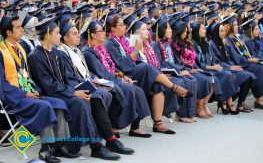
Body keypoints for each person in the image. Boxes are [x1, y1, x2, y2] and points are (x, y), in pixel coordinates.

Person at [27, 17, 123, 161]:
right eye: (57, 33)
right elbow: (49, 85)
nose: (60, 36)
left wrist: (85, 87)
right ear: (48, 34)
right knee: (81, 102)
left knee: (95, 96)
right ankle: (96, 146)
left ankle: (110, 139)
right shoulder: (36, 56)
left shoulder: (58, 53)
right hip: (51, 95)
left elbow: (69, 77)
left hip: (64, 91)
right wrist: (73, 92)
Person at [83, 18, 191, 135]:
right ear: (113, 28)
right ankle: (174, 87)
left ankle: (157, 123)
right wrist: (135, 52)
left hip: (134, 72)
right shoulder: (110, 43)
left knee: (157, 85)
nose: (124, 27)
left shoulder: (126, 40)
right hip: (128, 72)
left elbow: (137, 59)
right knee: (146, 68)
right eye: (121, 25)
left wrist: (138, 50)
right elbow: (122, 66)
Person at [0, 15, 80, 163]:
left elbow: (28, 77)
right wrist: (24, 93)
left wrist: (35, 89)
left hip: (27, 94)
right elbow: (2, 85)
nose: (22, 29)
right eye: (17, 27)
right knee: (45, 106)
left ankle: (59, 145)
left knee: (59, 104)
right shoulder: (1, 51)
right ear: (8, 32)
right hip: (12, 97)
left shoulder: (20, 49)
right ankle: (45, 148)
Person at [59, 21, 151, 139]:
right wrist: (117, 79)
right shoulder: (88, 50)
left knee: (134, 88)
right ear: (93, 35)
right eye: (101, 31)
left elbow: (111, 67)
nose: (104, 33)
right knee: (119, 89)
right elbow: (102, 71)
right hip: (89, 82)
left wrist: (120, 76)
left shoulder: (80, 51)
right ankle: (111, 129)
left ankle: (128, 127)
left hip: (101, 78)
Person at [131, 18, 197, 123]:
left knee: (185, 80)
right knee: (176, 81)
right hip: (143, 79)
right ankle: (177, 95)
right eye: (144, 29)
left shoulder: (148, 46)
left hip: (155, 76)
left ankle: (158, 122)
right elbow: (138, 65)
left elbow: (157, 64)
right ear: (136, 33)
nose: (148, 31)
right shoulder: (133, 47)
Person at [191, 20, 254, 113]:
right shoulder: (201, 45)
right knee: (227, 75)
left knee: (244, 75)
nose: (224, 32)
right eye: (221, 31)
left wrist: (231, 66)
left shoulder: (210, 44)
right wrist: (228, 68)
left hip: (217, 67)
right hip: (208, 69)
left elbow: (220, 59)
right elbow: (210, 62)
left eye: (224, 30)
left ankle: (226, 103)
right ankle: (225, 102)